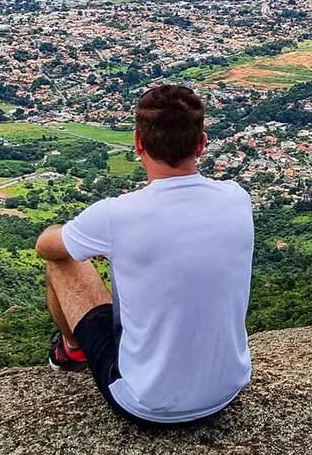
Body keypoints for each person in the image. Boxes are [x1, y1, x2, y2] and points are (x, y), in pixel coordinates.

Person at [34, 84, 254, 427]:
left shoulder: (116, 215)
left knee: (62, 262)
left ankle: (72, 349)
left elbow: (46, 247)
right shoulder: (237, 198)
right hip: (227, 390)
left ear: (138, 143)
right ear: (202, 143)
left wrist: (86, 237)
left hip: (146, 405)